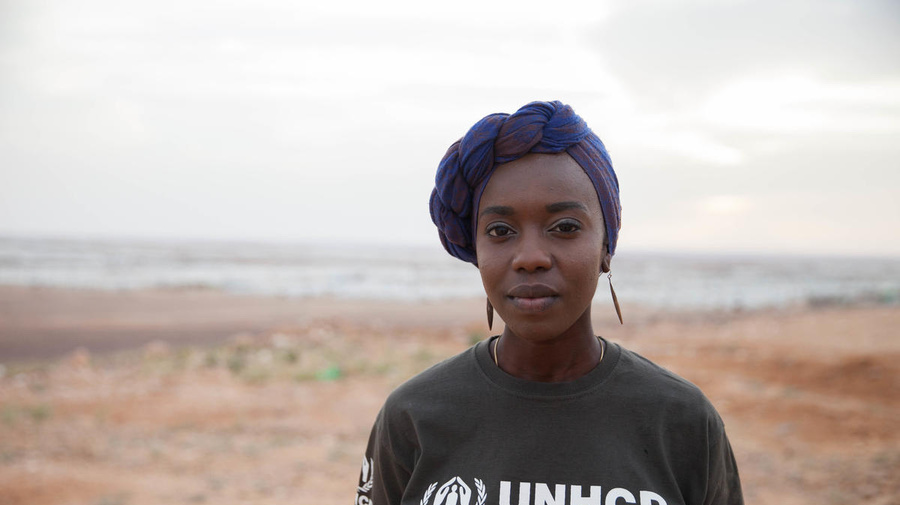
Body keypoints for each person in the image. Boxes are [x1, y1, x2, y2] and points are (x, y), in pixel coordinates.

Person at [355, 101, 743, 505]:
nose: (530, 257)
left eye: (565, 227)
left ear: (606, 247)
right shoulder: (414, 417)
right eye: (501, 230)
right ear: (477, 249)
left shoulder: (682, 422)